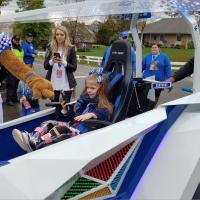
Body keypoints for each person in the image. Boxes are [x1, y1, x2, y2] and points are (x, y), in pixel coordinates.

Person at [12, 69, 113, 152]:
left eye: (92, 88)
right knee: (49, 123)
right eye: (87, 87)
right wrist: (66, 110)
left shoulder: (104, 107)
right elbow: (75, 118)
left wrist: (92, 114)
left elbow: (103, 114)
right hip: (74, 128)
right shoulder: (86, 102)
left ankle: (38, 143)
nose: (89, 90)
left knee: (61, 129)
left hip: (83, 135)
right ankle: (33, 137)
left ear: (101, 89)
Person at [44, 25, 77, 103]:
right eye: (57, 34)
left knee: (65, 107)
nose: (59, 37)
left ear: (65, 36)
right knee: (54, 107)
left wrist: (64, 62)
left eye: (62, 35)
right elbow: (45, 66)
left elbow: (74, 67)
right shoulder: (50, 47)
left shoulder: (71, 48)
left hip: (66, 83)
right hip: (53, 82)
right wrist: (52, 61)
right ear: (54, 36)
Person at [6, 35, 23, 106]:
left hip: (19, 69)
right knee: (11, 85)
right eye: (16, 40)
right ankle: (9, 100)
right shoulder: (10, 47)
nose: (17, 41)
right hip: (12, 69)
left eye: (18, 40)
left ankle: (14, 97)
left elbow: (21, 58)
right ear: (12, 40)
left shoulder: (20, 48)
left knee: (16, 84)